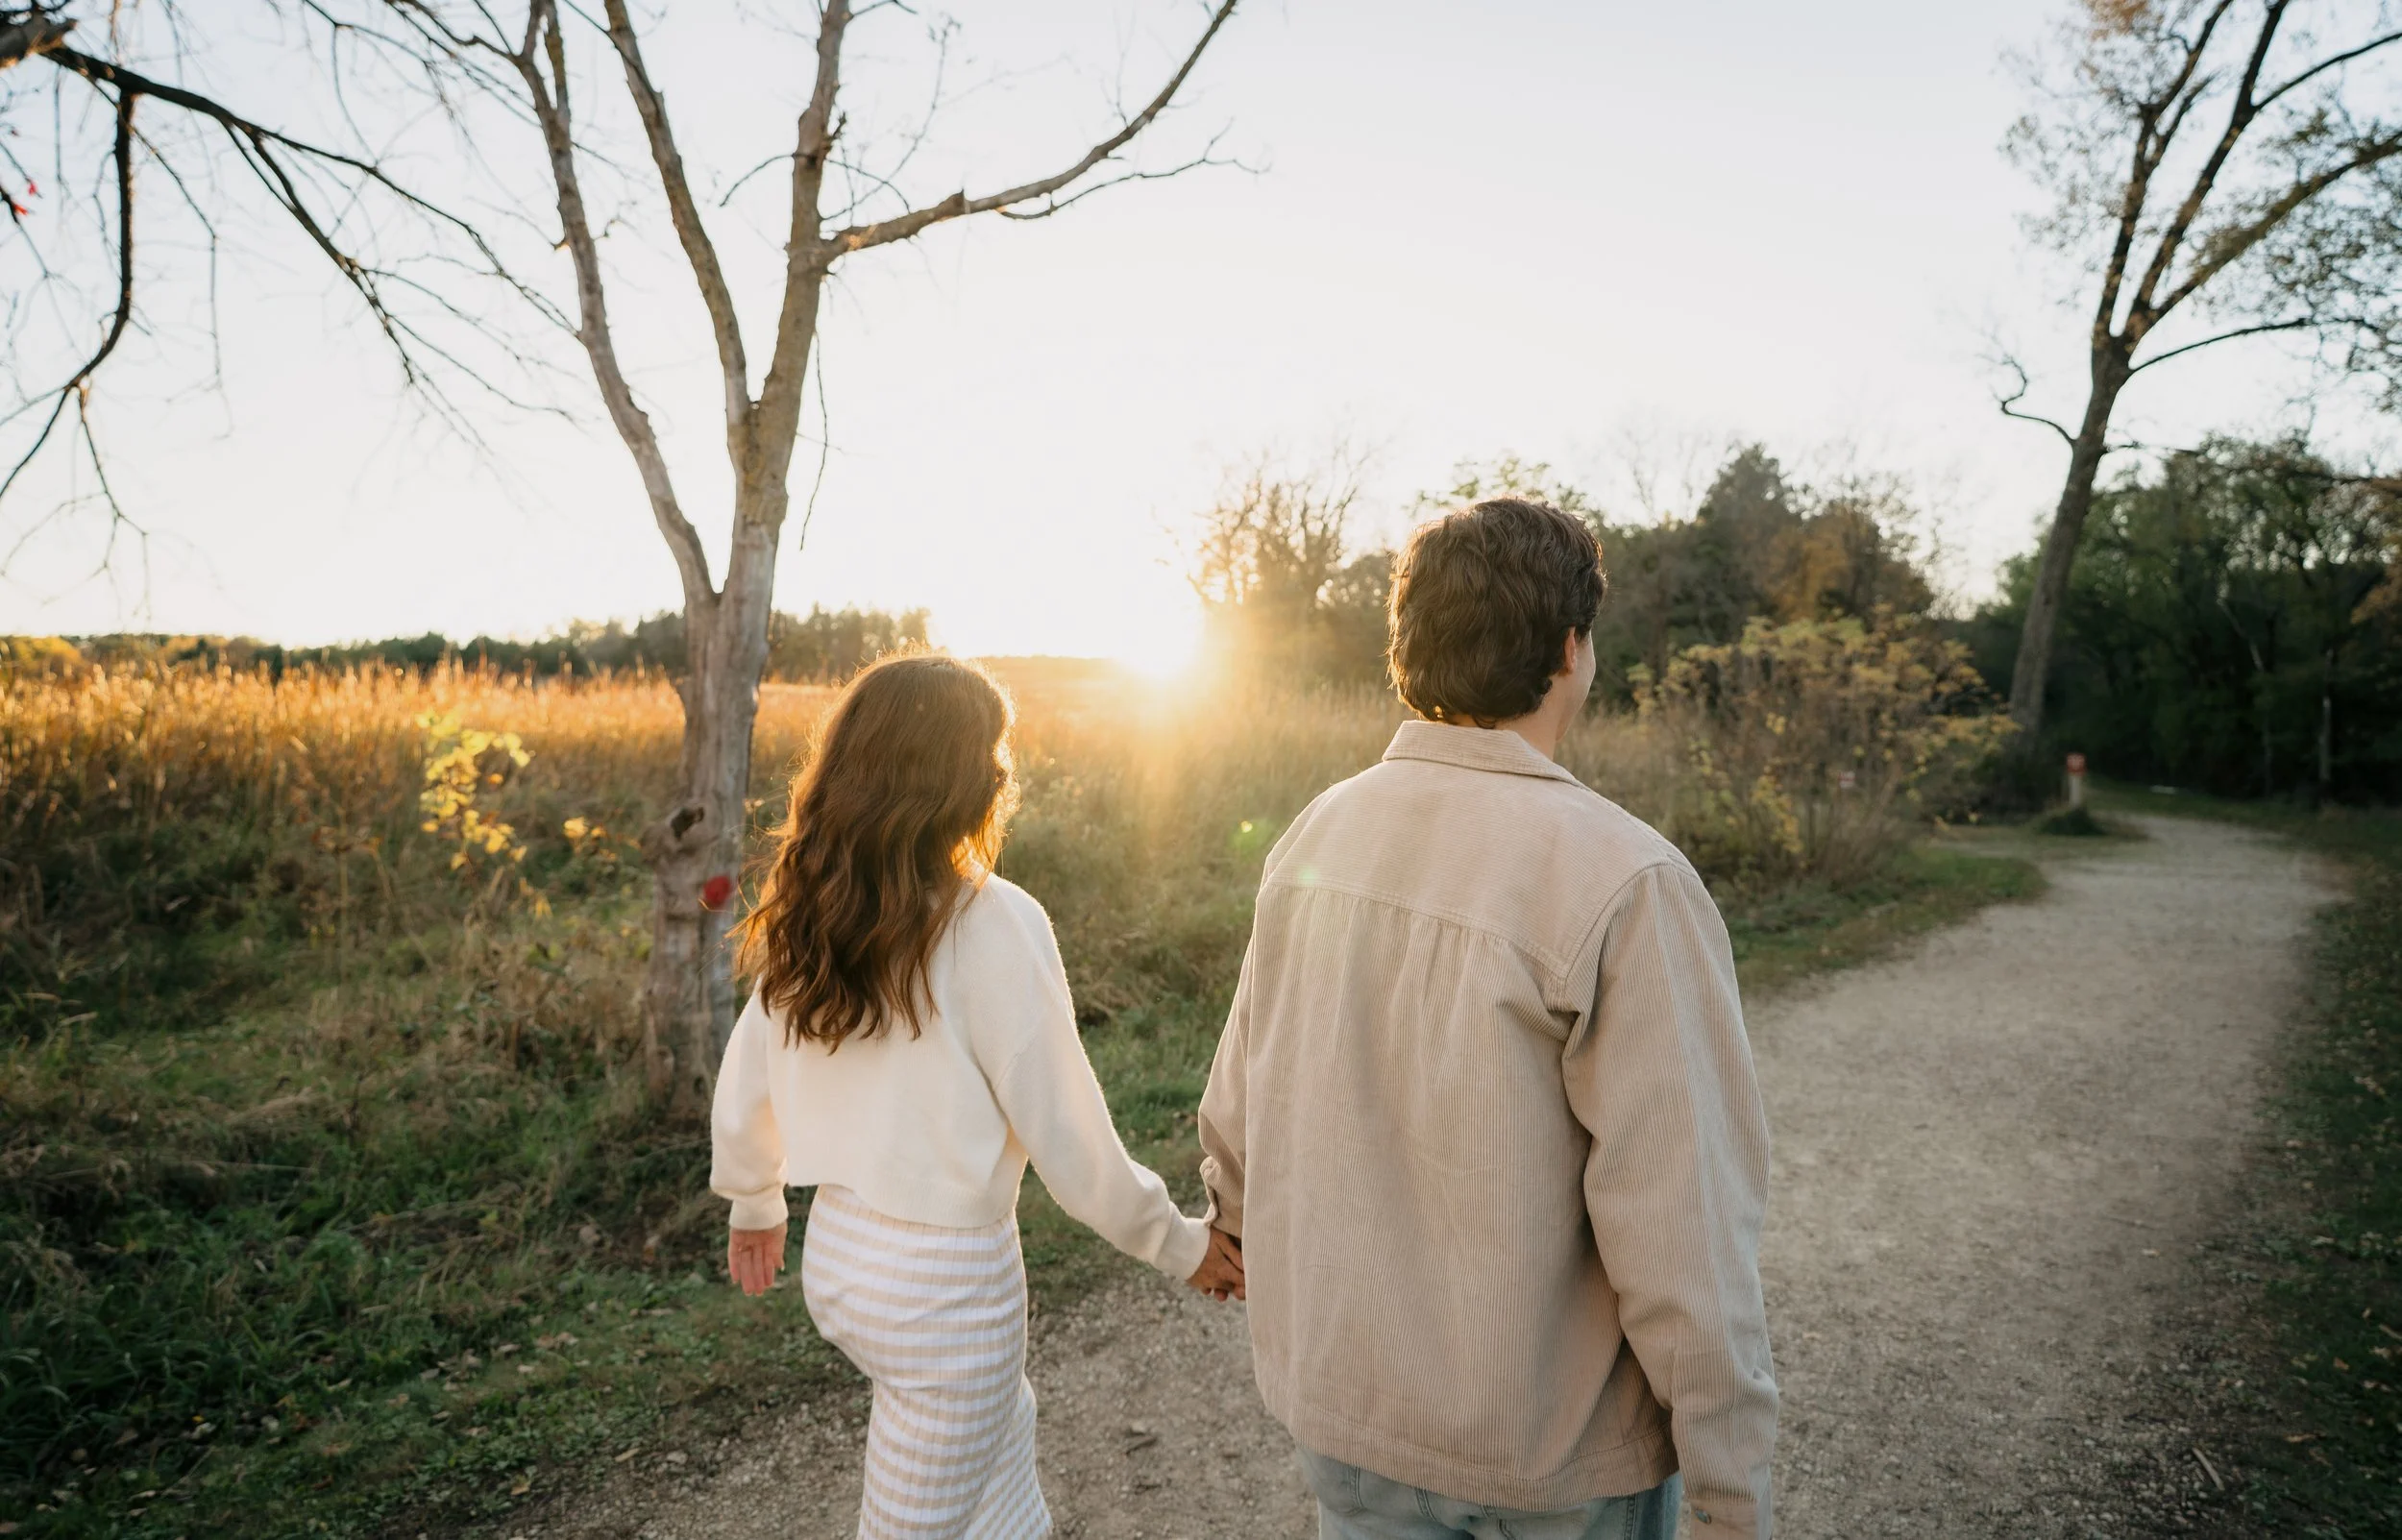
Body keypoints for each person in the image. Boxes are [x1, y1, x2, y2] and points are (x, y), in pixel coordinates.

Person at [1195, 499, 1777, 1540]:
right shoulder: (1624, 876)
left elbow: (1241, 1089)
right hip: (1547, 1462)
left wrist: (1230, 1214)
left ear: (1409, 647)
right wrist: (1731, 1493)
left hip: (1349, 1428)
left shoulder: (1315, 833)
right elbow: (1682, 1224)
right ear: (1569, 650)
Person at [710, 652, 1244, 1540]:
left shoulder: (811, 907)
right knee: (912, 1524)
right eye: (995, 753)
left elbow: (748, 1071)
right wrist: (1177, 1243)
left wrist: (754, 1197)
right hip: (946, 1291)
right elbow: (1067, 1135)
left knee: (999, 1471)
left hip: (840, 1259)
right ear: (965, 779)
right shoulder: (993, 922)